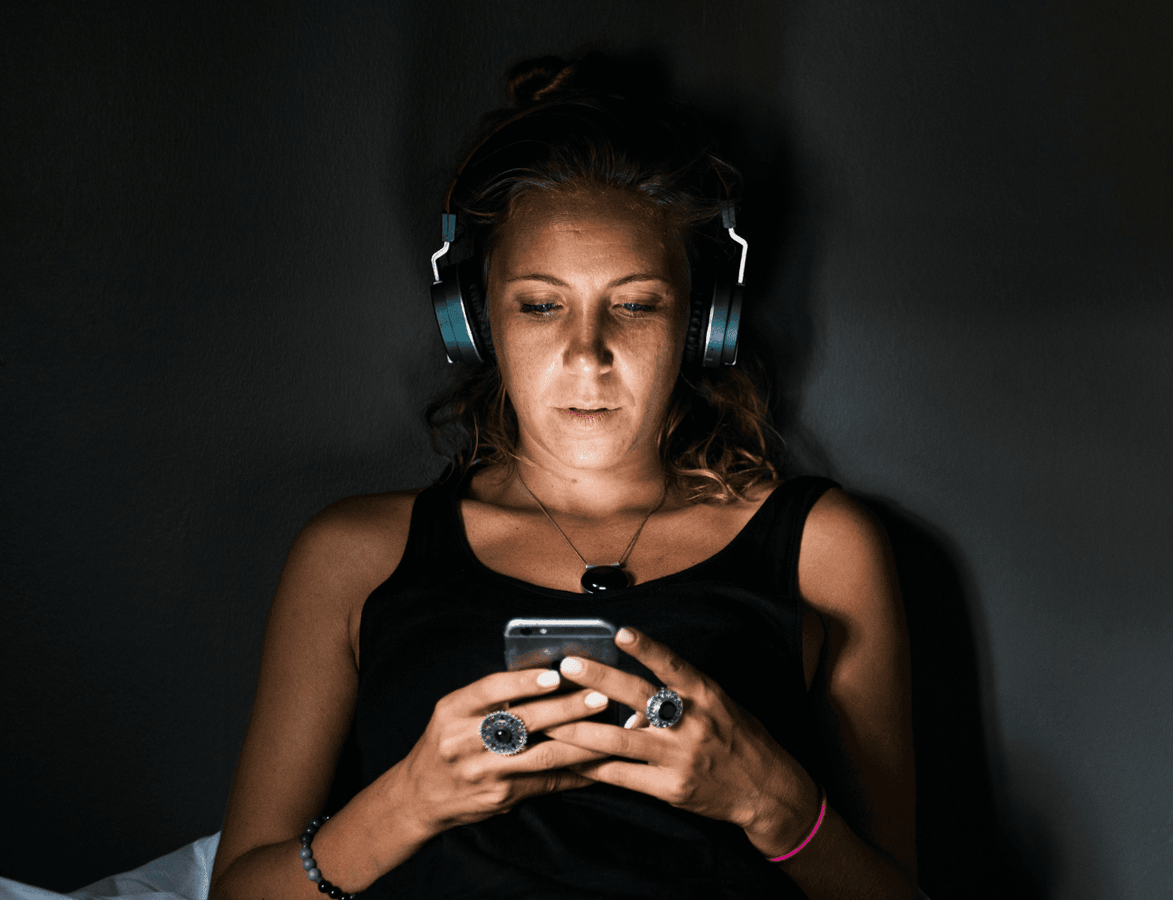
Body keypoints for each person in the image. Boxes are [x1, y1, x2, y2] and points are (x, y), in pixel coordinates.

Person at [208, 56, 916, 900]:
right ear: (475, 323)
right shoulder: (353, 553)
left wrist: (771, 804)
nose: (588, 353)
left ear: (702, 322)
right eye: (541, 305)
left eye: (636, 303)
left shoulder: (821, 550)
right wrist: (408, 802)